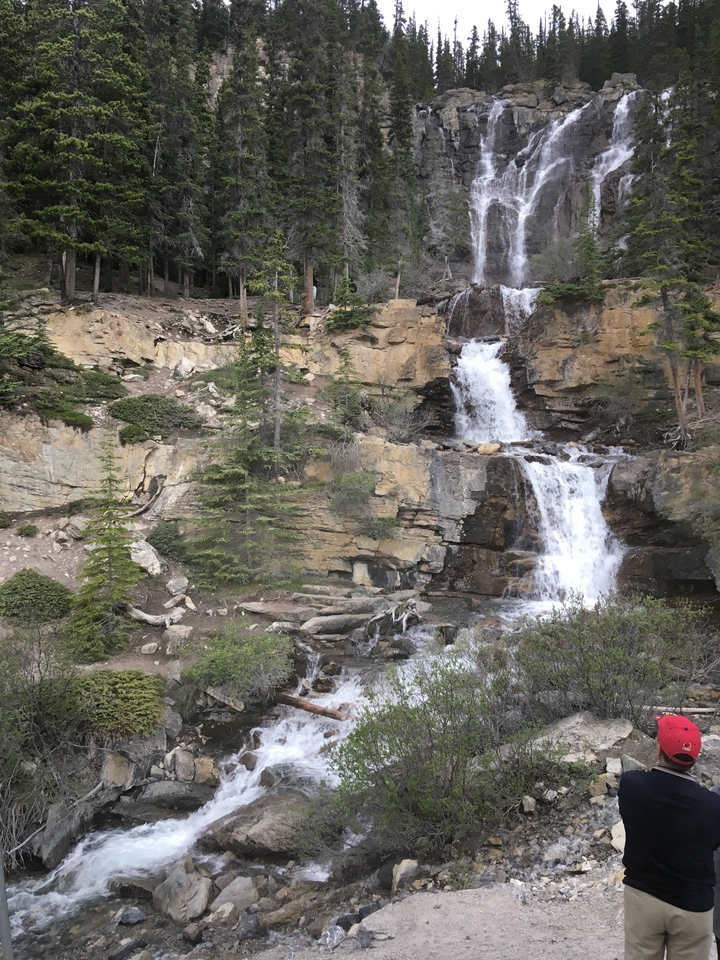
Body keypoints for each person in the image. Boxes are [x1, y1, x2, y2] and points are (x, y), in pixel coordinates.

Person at [618, 714, 720, 960]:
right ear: (694, 758)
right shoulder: (713, 805)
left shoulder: (632, 785)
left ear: (658, 749)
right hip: (692, 905)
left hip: (643, 896)